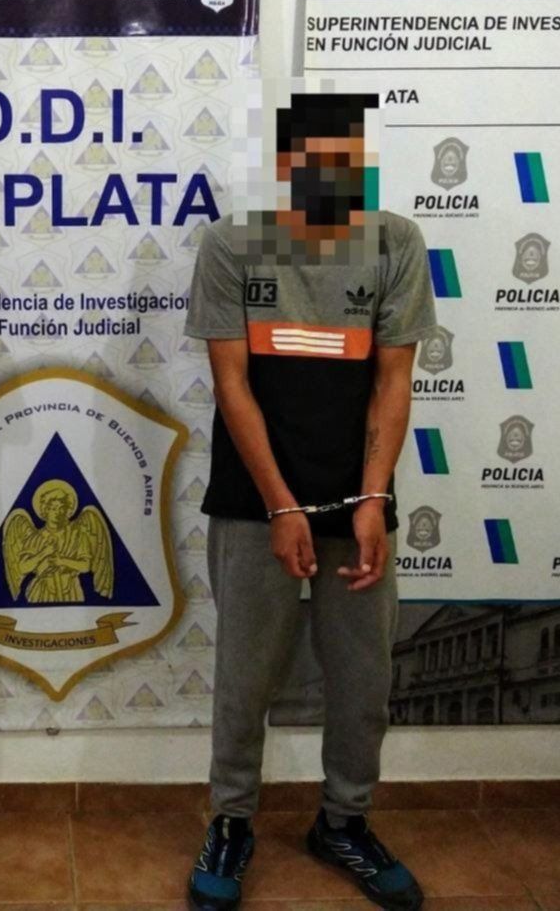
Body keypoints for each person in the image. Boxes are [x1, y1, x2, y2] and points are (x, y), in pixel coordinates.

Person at [182, 93, 436, 911]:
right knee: (245, 679)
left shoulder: (396, 244)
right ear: (285, 168)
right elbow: (232, 384)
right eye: (313, 162)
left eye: (347, 162)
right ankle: (232, 822)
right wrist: (282, 507)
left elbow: (393, 382)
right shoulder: (232, 245)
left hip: (359, 500)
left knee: (364, 681)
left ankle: (344, 822)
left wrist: (372, 499)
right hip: (254, 501)